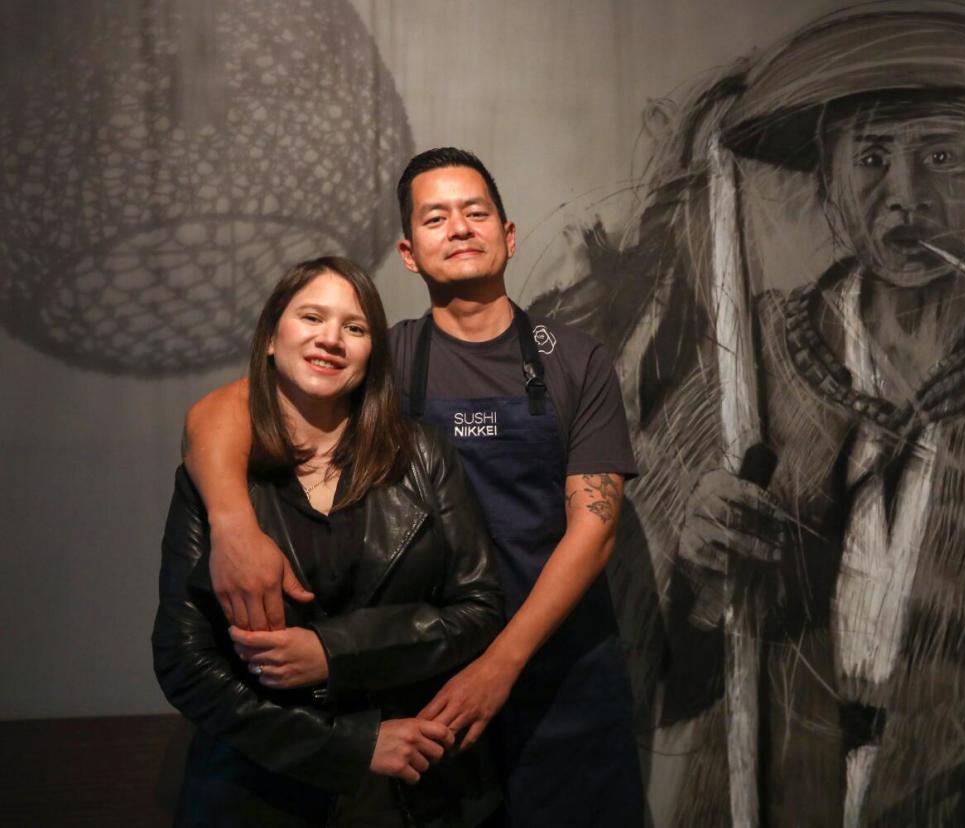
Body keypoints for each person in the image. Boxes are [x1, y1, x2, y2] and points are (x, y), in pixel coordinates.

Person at [532, 9, 965, 826]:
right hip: (770, 795)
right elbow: (643, 666)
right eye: (871, 158)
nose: (906, 197)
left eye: (941, 157)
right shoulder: (748, 363)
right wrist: (693, 574)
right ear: (828, 180)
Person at [181, 150, 645, 826]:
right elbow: (217, 412)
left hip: (559, 666)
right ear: (409, 252)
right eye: (436, 217)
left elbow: (595, 530)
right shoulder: (380, 358)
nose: (458, 228)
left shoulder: (574, 358)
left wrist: (502, 661)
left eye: (475, 212)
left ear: (507, 236)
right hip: (425, 672)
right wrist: (231, 525)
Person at [153, 256, 505, 827]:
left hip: (413, 792)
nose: (331, 339)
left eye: (356, 327)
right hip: (257, 793)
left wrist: (333, 653)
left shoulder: (424, 455)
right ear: (271, 338)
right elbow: (183, 661)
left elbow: (479, 609)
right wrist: (350, 745)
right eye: (311, 316)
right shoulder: (217, 475)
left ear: (372, 356)